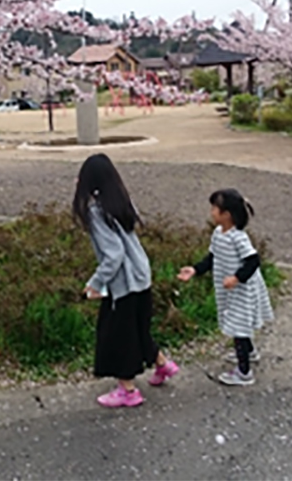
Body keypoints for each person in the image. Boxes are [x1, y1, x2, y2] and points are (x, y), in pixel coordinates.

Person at [74, 153, 179, 408]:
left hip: (124, 282)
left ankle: (128, 390)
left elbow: (113, 254)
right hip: (142, 275)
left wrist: (97, 282)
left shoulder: (96, 211)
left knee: (118, 335)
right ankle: (163, 365)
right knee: (139, 328)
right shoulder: (121, 200)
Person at [177, 189, 273, 386]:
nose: (211, 212)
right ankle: (250, 352)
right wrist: (195, 270)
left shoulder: (238, 237)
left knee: (238, 324)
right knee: (238, 321)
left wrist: (237, 278)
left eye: (214, 208)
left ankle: (244, 373)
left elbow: (253, 261)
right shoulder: (218, 233)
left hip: (243, 289)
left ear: (226, 214)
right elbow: (213, 257)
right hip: (230, 288)